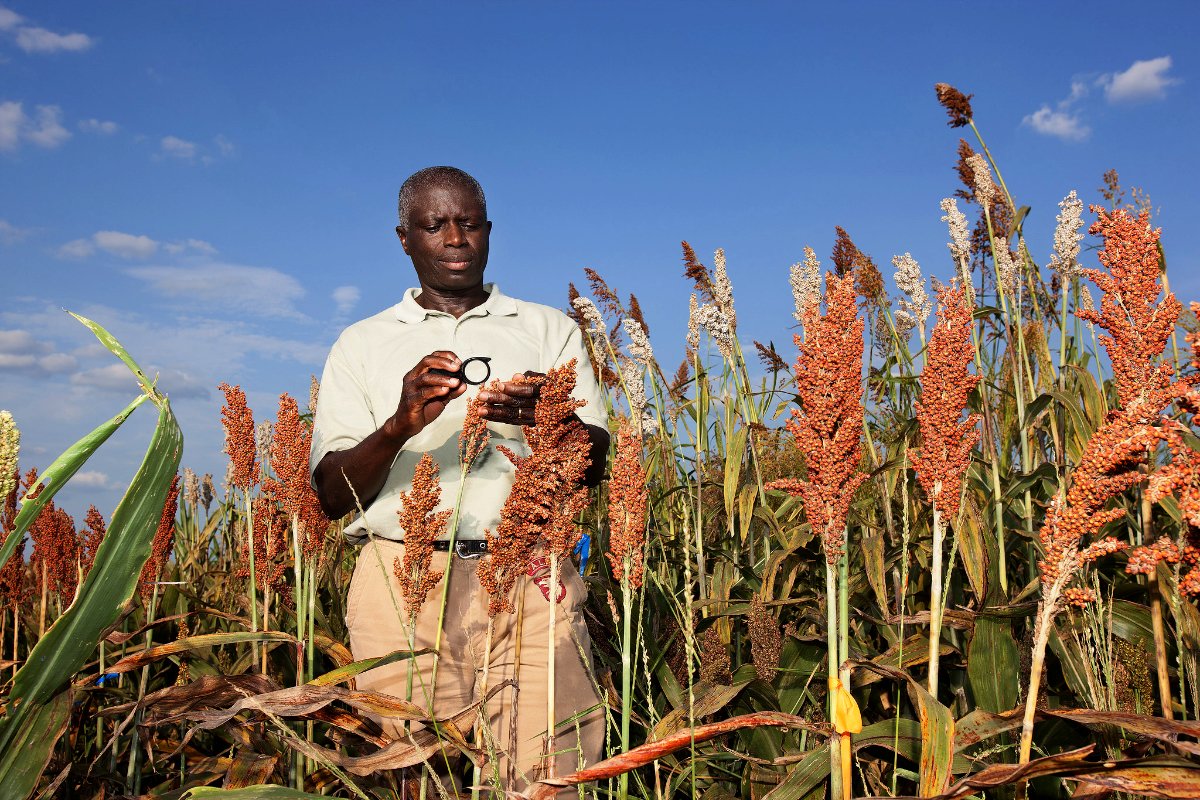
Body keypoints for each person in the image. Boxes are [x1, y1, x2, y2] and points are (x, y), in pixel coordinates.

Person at [310, 166, 609, 794]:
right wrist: (398, 424)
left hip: (531, 572)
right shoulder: (362, 344)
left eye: (468, 224)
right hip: (403, 584)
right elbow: (333, 494)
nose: (454, 238)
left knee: (550, 775)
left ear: (488, 231)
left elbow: (598, 461)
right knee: (417, 774)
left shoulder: (546, 328)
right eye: (435, 225)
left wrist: (548, 420)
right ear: (405, 239)